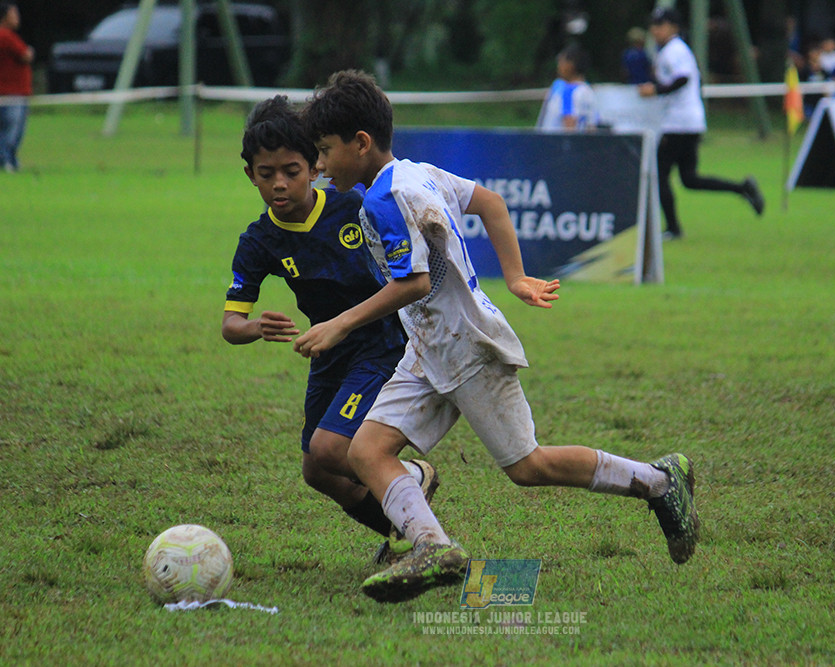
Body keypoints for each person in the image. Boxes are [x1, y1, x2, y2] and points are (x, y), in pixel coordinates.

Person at [296, 70, 700, 602]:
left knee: (529, 466)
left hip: (467, 348)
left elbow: (414, 282)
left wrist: (341, 322)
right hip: (429, 348)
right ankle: (433, 546)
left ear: (361, 143)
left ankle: (659, 481)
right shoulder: (418, 173)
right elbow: (490, 201)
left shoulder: (385, 199)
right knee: (367, 452)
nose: (321, 165)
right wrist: (514, 276)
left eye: (325, 151)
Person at [222, 95, 437, 565]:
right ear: (250, 175)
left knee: (331, 448)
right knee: (317, 470)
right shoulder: (259, 240)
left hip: (381, 343)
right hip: (328, 352)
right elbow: (230, 325)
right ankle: (405, 532)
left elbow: (407, 272)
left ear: (313, 167)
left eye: (291, 171)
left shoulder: (352, 206)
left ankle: (410, 481)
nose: (279, 184)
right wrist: (254, 326)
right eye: (266, 174)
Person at [638, 7, 764, 240]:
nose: (655, 30)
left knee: (659, 174)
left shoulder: (675, 49)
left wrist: (656, 90)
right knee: (689, 179)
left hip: (678, 123)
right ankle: (742, 188)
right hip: (690, 121)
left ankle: (673, 229)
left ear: (673, 27)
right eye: (653, 25)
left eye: (660, 25)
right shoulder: (672, 50)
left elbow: (683, 78)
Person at [0, 2, 33, 173]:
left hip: (15, 92)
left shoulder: (10, 36)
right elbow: (25, 55)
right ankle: (5, 160)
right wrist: (29, 52)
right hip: (10, 93)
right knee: (10, 129)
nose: (17, 18)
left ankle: (10, 159)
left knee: (13, 130)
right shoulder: (5, 36)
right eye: (14, 14)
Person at [537, 43, 599, 131]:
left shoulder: (568, 92)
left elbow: (569, 126)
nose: (558, 66)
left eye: (561, 62)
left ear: (570, 65)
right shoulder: (589, 91)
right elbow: (591, 126)